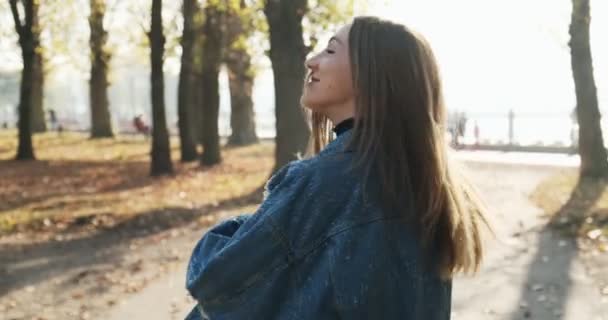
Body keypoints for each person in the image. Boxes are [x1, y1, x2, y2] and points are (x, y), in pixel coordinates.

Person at [185, 16, 489, 320]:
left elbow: (214, 281)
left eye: (330, 51)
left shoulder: (320, 183)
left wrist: (244, 227)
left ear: (370, 74)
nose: (311, 61)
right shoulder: (427, 184)